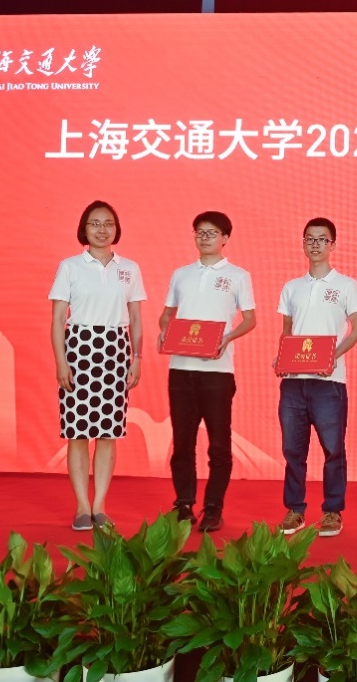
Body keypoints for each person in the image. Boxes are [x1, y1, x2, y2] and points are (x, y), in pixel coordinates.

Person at [48, 200, 145, 531]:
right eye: (95, 223)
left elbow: (135, 318)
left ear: (116, 228)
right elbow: (58, 319)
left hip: (116, 349)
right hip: (79, 348)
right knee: (77, 433)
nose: (102, 230)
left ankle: (100, 506)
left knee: (107, 433)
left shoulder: (129, 268)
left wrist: (137, 359)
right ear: (84, 229)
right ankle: (81, 507)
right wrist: (61, 361)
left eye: (108, 223)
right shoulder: (70, 267)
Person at [158, 211, 257, 533]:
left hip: (217, 372)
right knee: (183, 442)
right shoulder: (181, 274)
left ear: (225, 238)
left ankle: (213, 507)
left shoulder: (238, 276)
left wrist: (228, 338)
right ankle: (184, 504)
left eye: (211, 233)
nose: (204, 238)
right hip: (180, 369)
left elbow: (250, 319)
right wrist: (164, 330)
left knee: (219, 444)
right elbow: (167, 315)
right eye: (199, 232)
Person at [275, 217, 357, 538]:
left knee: (333, 449)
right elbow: (287, 332)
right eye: (309, 239)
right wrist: (281, 357)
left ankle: (332, 511)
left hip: (329, 382)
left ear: (332, 245)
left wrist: (332, 357)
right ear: (303, 243)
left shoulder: (346, 285)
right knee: (292, 451)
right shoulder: (292, 287)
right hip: (293, 382)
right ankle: (295, 510)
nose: (315, 244)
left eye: (322, 239)